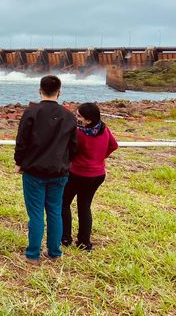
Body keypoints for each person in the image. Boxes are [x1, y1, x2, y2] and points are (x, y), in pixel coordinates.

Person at [14, 75, 78, 264]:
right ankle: (54, 252)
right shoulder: (69, 115)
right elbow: (74, 145)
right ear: (59, 92)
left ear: (39, 90)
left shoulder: (31, 112)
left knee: (35, 214)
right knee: (55, 211)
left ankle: (33, 254)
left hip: (34, 170)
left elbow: (22, 141)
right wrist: (66, 161)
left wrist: (19, 162)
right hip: (59, 171)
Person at [62, 103, 118, 251]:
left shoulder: (78, 133)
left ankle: (65, 238)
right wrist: (100, 159)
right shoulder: (104, 129)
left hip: (78, 174)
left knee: (63, 202)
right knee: (84, 207)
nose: (76, 117)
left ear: (88, 120)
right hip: (98, 175)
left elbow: (69, 151)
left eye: (79, 116)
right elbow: (113, 145)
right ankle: (84, 242)